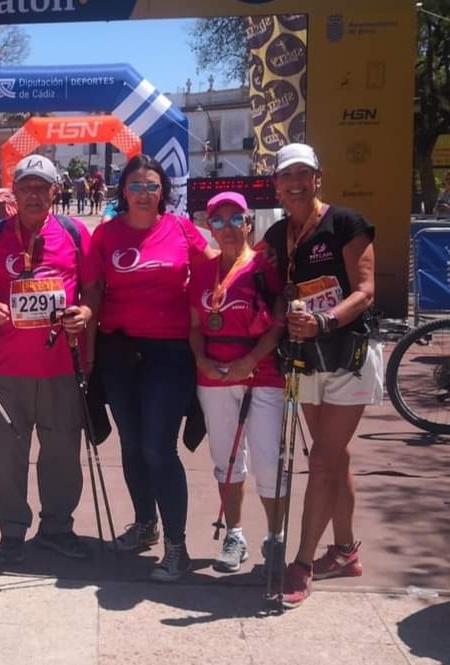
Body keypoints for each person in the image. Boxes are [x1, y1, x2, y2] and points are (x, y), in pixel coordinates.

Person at [260, 143, 382, 608]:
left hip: (348, 354)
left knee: (324, 461)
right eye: (286, 176)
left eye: (302, 174)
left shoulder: (346, 222)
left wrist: (324, 321)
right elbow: (269, 285)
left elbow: (366, 291)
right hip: (305, 358)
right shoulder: (277, 234)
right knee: (333, 456)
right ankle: (346, 551)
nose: (295, 183)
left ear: (318, 177)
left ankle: (303, 562)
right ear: (276, 184)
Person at [85, 154, 215, 582]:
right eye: (136, 186)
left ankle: (177, 547)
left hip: (170, 353)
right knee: (131, 444)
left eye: (152, 186)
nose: (144, 194)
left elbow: (218, 266)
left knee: (158, 448)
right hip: (119, 352)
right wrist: (88, 357)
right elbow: (93, 294)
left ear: (164, 191)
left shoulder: (180, 228)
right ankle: (145, 525)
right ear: (123, 191)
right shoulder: (105, 235)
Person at [0, 155, 95, 564]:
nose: (34, 195)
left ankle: (57, 528)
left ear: (55, 191)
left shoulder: (74, 233)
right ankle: (11, 531)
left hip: (61, 366)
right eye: (27, 187)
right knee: (8, 455)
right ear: (14, 193)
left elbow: (93, 288)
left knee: (61, 453)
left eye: (42, 187)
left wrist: (85, 312)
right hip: (7, 369)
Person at [188, 192, 287, 575]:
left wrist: (250, 361)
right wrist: (201, 360)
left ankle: (275, 538)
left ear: (248, 223)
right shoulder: (202, 270)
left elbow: (278, 323)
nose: (227, 228)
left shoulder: (266, 266)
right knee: (226, 461)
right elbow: (195, 326)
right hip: (214, 375)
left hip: (262, 373)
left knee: (268, 461)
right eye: (218, 220)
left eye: (235, 219)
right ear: (209, 228)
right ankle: (235, 535)